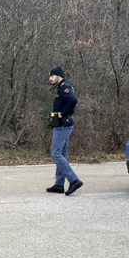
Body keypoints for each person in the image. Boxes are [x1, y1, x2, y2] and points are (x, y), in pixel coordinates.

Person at [46, 67, 83, 196]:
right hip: (62, 125)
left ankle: (74, 180)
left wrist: (62, 114)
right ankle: (59, 185)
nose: (50, 79)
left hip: (63, 125)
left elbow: (73, 100)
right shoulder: (61, 87)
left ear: (59, 76)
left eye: (52, 76)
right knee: (61, 154)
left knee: (56, 154)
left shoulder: (64, 86)